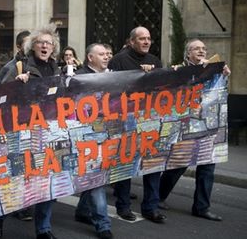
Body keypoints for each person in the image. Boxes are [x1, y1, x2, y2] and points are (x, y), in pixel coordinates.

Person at [158, 39, 230, 222]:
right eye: (197, 48)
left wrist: (223, 76)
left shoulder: (214, 69)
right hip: (186, 125)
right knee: (178, 165)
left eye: (204, 49)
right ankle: (158, 197)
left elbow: (221, 94)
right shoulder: (179, 70)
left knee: (207, 167)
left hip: (210, 125)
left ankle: (202, 207)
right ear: (188, 53)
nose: (201, 51)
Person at [107, 26, 166, 223]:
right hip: (126, 121)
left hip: (149, 120)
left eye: (149, 38)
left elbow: (161, 89)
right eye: (142, 39)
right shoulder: (119, 60)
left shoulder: (155, 61)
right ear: (131, 42)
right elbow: (112, 89)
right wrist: (137, 75)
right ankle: (123, 206)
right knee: (125, 163)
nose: (146, 42)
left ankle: (151, 207)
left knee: (152, 165)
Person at [11, 23, 62, 239]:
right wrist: (16, 84)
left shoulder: (58, 69)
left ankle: (43, 229)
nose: (44, 46)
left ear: (53, 48)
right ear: (33, 46)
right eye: (40, 42)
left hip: (50, 131)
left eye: (48, 43)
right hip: (24, 132)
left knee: (47, 180)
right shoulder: (19, 67)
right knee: (17, 180)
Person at [71, 43, 113, 239]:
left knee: (96, 175)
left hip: (104, 133)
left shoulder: (113, 76)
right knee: (97, 178)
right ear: (90, 58)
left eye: (107, 54)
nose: (106, 57)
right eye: (101, 54)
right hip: (84, 135)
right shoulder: (78, 78)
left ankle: (82, 211)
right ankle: (103, 224)